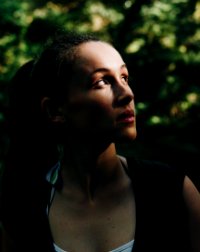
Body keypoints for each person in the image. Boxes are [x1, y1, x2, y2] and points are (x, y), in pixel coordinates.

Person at [1, 31, 200, 252]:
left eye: (124, 78)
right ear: (55, 110)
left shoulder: (172, 191)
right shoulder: (25, 209)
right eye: (102, 81)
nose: (127, 94)